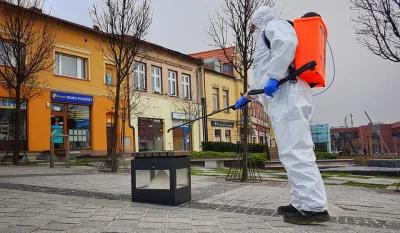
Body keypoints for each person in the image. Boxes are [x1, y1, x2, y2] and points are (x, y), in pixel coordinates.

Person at [234, 6, 330, 224]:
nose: (251, 31)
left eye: (251, 27)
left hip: (289, 98)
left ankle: (315, 207)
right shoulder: (266, 35)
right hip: (284, 99)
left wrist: (274, 77)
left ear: (256, 23)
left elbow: (285, 45)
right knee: (289, 154)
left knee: (297, 152)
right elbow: (264, 76)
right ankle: (299, 203)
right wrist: (247, 96)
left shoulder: (273, 26)